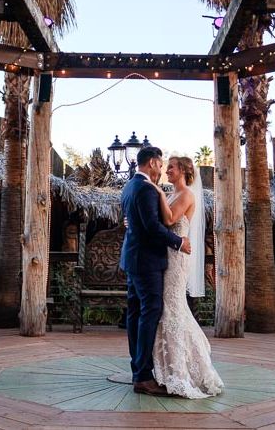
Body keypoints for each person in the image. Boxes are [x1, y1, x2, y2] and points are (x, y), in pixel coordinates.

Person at [119, 146, 191, 396]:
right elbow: (151, 227)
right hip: (147, 261)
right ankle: (143, 376)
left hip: (133, 259)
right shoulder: (147, 188)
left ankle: (137, 369)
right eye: (160, 165)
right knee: (150, 312)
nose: (161, 171)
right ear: (152, 163)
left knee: (136, 313)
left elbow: (131, 221)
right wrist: (179, 242)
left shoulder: (129, 186)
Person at [151, 156, 224, 399]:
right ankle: (168, 367)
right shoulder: (172, 194)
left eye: (171, 167)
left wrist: (158, 193)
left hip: (177, 259)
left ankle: (184, 371)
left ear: (182, 170)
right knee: (169, 309)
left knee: (173, 307)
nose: (167, 171)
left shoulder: (185, 196)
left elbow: (170, 219)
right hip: (167, 256)